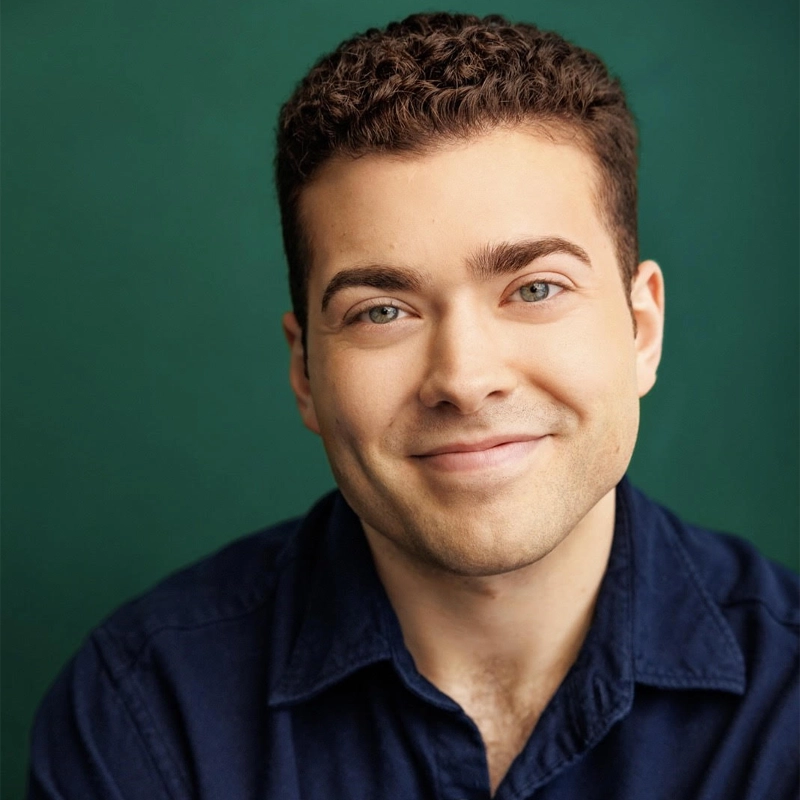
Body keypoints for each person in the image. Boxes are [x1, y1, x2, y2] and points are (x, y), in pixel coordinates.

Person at [27, 12, 798, 800]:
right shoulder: (144, 713)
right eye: (381, 311)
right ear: (304, 370)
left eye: (535, 289)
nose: (463, 379)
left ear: (641, 329)